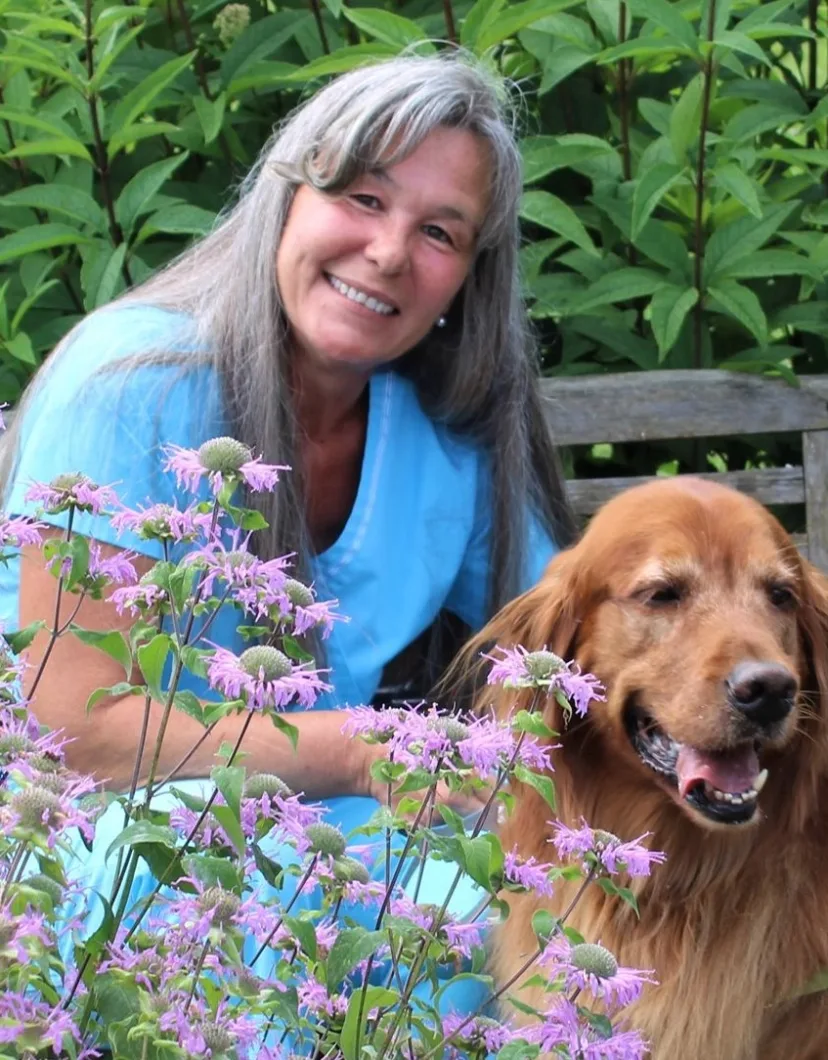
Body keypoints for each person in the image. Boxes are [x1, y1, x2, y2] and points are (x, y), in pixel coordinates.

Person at [0, 51, 574, 1028]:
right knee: (214, 947)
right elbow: (75, 739)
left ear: (469, 278)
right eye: (361, 196)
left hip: (317, 830)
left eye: (439, 231)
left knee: (477, 917)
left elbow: (572, 654)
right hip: (90, 835)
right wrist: (361, 747)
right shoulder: (131, 380)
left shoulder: (450, 433)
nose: (390, 251)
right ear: (286, 197)